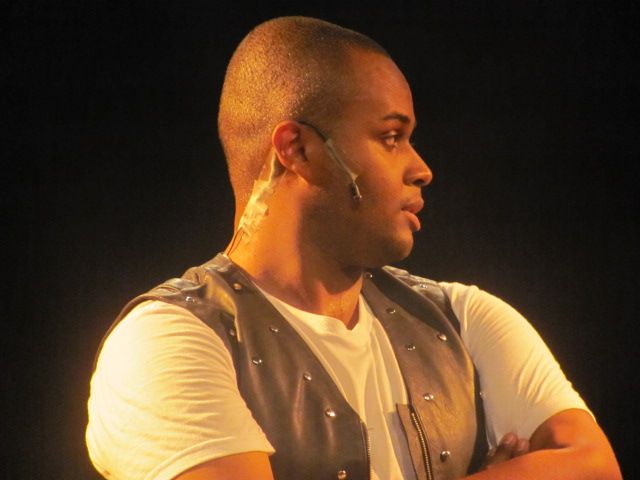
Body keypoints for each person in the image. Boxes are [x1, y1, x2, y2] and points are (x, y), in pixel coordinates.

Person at [86, 16, 621, 480]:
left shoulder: (463, 318)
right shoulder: (165, 340)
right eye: (391, 137)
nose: (422, 168)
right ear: (297, 149)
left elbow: (595, 467)